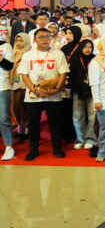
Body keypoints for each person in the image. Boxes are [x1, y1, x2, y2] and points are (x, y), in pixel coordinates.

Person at [18, 28, 69, 160]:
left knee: (55, 123)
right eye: (41, 37)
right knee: (33, 124)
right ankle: (33, 150)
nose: (45, 39)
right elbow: (24, 75)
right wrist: (34, 89)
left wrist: (56, 89)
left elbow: (63, 73)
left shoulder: (58, 54)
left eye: (47, 36)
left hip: (53, 95)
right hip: (34, 96)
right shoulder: (28, 55)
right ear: (35, 40)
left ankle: (57, 148)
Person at [69, 39, 97, 150]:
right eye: (85, 47)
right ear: (80, 47)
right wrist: (80, 85)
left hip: (92, 91)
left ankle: (90, 139)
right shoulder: (75, 59)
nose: (88, 49)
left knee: (92, 116)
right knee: (78, 115)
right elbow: (71, 76)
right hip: (78, 90)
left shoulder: (95, 59)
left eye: (90, 47)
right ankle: (80, 139)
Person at [10, 33, 31, 142]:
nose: (18, 43)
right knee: (15, 106)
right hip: (14, 82)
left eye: (21, 40)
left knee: (24, 106)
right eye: (17, 40)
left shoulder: (30, 54)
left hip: (25, 83)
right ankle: (19, 126)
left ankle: (26, 128)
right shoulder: (12, 53)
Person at [0, 33, 15, 160]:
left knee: (4, 117)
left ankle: (9, 145)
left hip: (2, 86)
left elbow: (9, 66)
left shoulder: (5, 46)